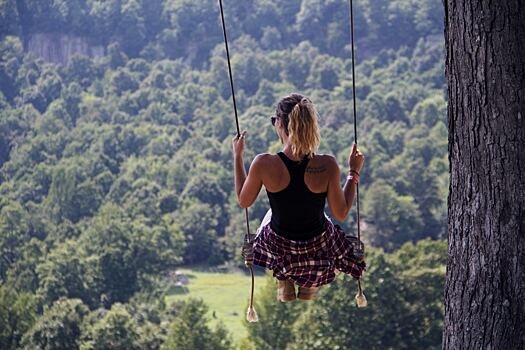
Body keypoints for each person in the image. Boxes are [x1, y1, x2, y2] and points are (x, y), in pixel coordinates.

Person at [232, 93, 366, 302]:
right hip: (317, 245)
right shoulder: (327, 165)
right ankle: (309, 284)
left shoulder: (264, 164)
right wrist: (353, 172)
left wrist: (237, 157)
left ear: (280, 125)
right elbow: (341, 212)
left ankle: (284, 276)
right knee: (325, 220)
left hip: (279, 245)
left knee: (270, 216)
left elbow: (243, 200)